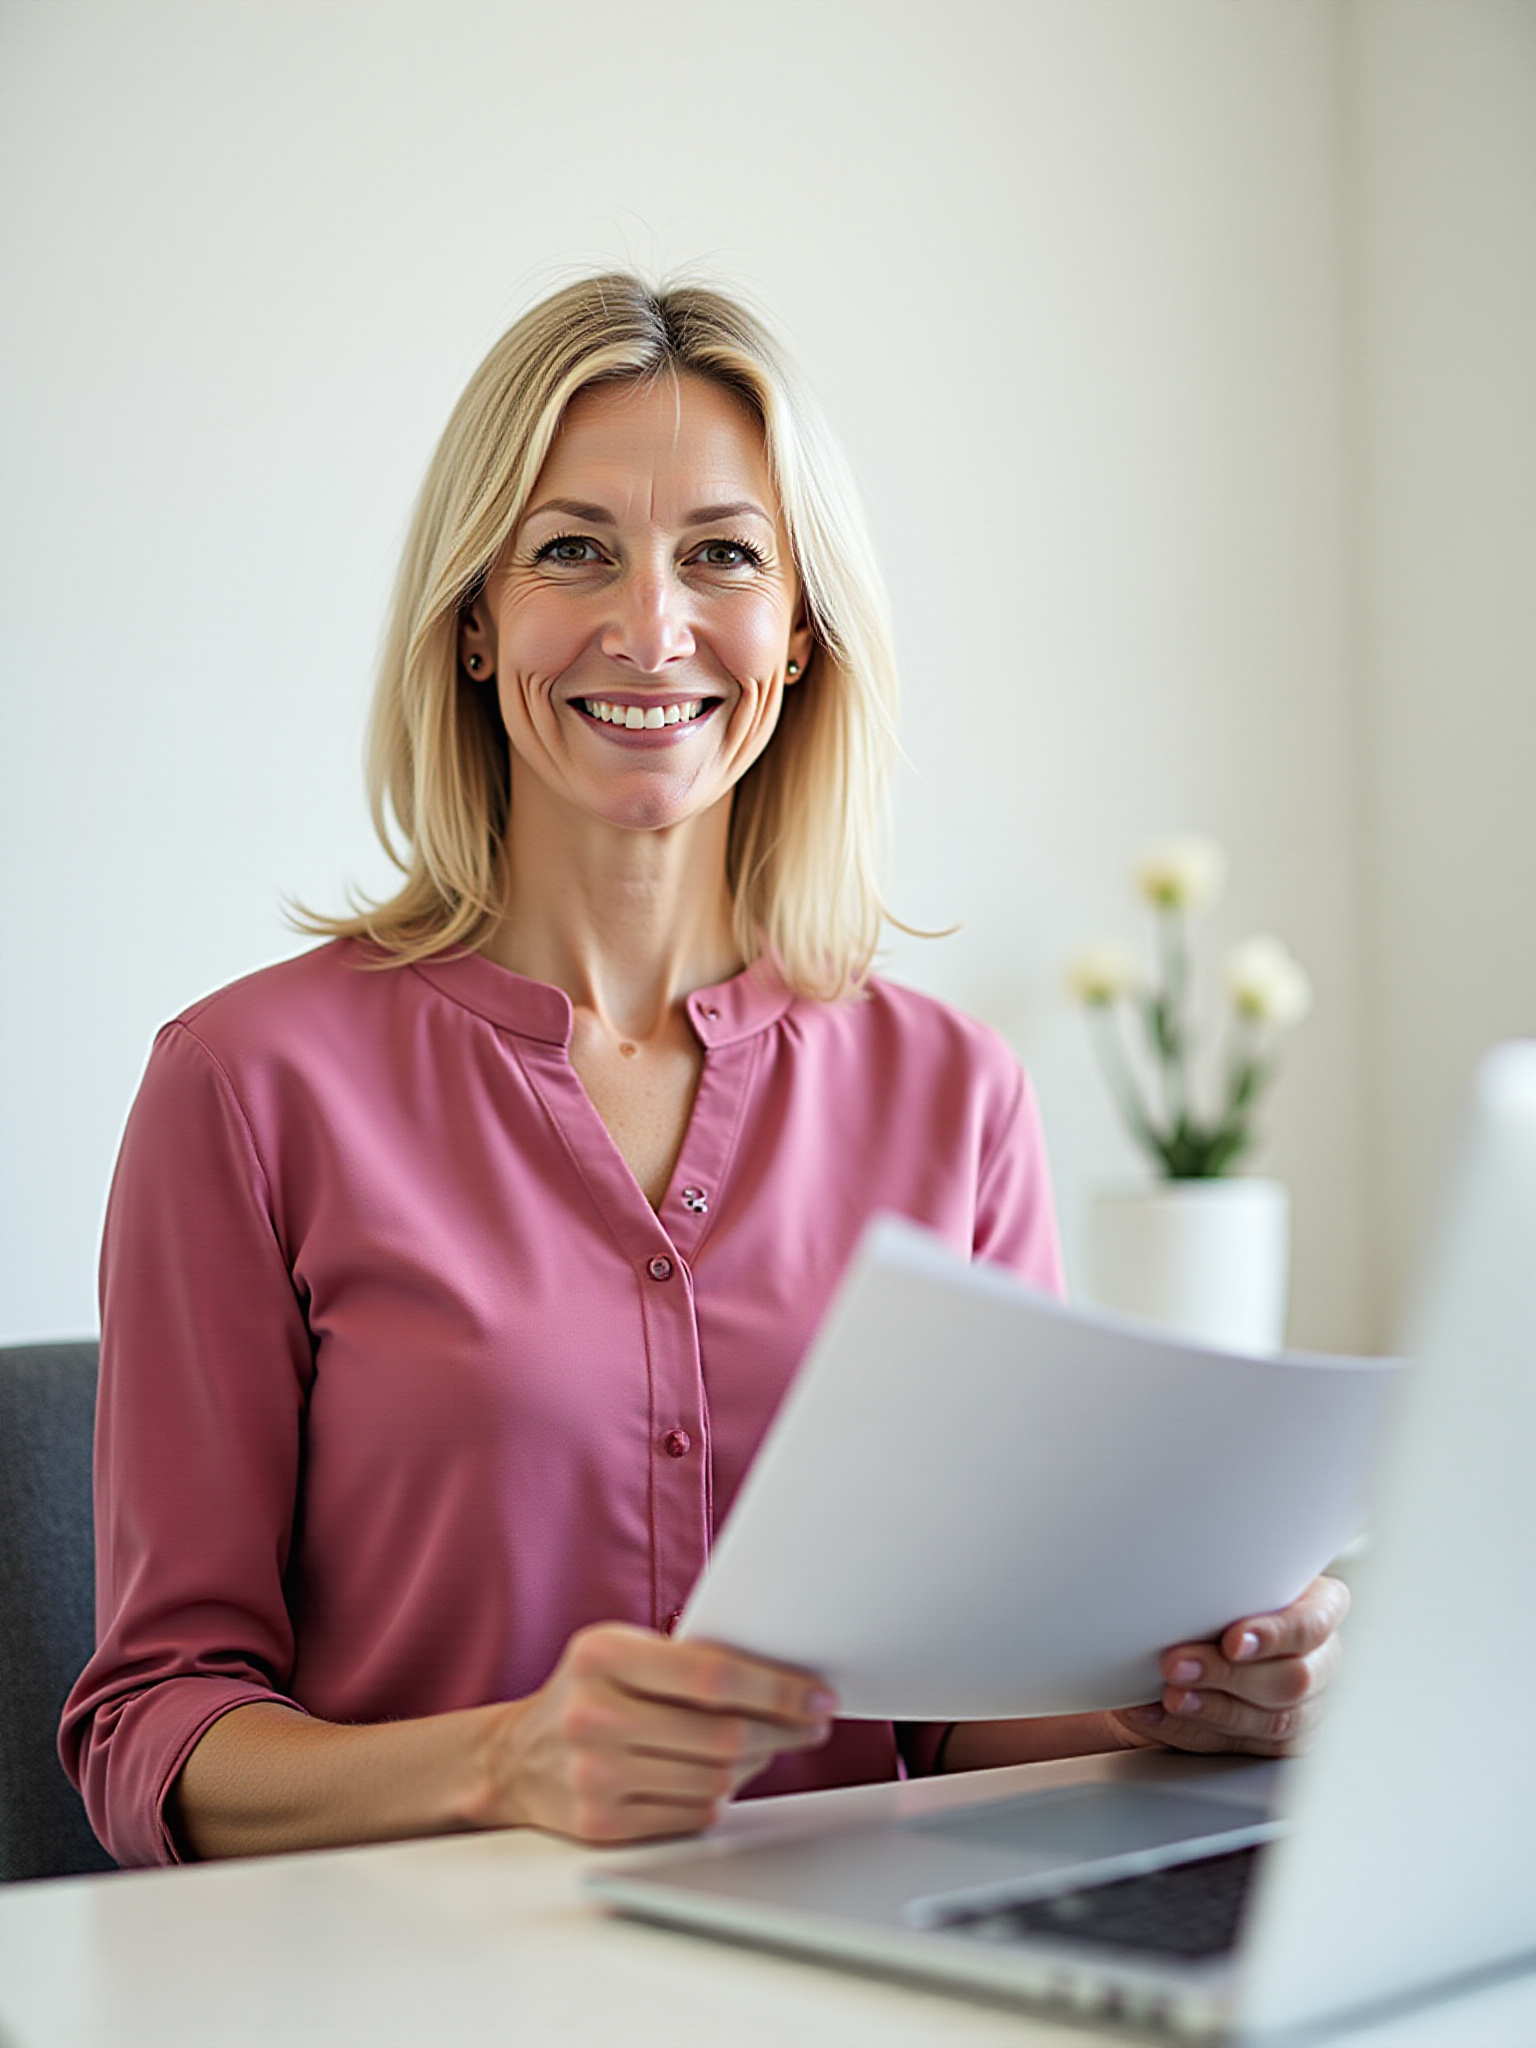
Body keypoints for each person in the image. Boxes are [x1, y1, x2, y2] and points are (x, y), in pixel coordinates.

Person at [60, 275, 1347, 1867]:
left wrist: (1167, 1702)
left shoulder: (956, 1096)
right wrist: (507, 1763)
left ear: (799, 638)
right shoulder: (246, 1088)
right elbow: (155, 1735)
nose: (648, 628)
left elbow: (949, 1707)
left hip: (864, 1977)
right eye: (573, 549)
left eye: (721, 555)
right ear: (475, 622)